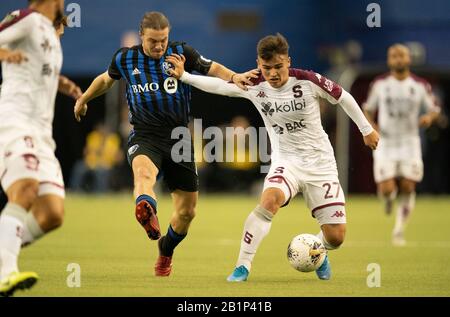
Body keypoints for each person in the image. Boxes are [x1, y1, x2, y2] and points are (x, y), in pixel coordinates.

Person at [166, 33, 379, 281]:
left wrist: (367, 129)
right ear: (259, 63)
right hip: (285, 161)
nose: (273, 73)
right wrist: (185, 76)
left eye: (278, 67)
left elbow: (344, 97)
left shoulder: (308, 80)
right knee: (269, 200)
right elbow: (221, 87)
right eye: (267, 68)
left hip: (320, 164)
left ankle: (318, 250)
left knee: (336, 237)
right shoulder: (254, 82)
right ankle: (242, 267)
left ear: (288, 61)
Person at [73, 11, 257, 277]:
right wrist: (84, 98)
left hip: (179, 138)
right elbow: (105, 80)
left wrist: (235, 76)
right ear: (141, 37)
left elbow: (212, 67)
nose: (159, 46)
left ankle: (166, 249)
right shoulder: (125, 58)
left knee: (187, 212)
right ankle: (146, 209)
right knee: (143, 175)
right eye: (153, 41)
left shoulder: (181, 53)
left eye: (163, 40)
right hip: (145, 134)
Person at [0, 0, 82, 296]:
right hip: (16, 121)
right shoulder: (27, 19)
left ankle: (2, 248)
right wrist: (5, 54)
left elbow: (37, 70)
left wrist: (62, 84)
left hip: (42, 134)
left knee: (51, 214)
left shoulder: (49, 33)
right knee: (25, 189)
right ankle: (5, 271)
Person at [363, 44, 440, 246]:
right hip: (385, 142)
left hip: (409, 142)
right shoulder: (380, 84)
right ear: (389, 60)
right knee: (388, 188)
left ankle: (398, 231)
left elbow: (434, 109)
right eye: (393, 56)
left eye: (401, 55)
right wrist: (372, 127)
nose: (398, 59)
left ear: (408, 59)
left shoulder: (420, 85)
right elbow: (367, 109)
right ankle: (388, 199)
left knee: (408, 185)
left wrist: (429, 118)